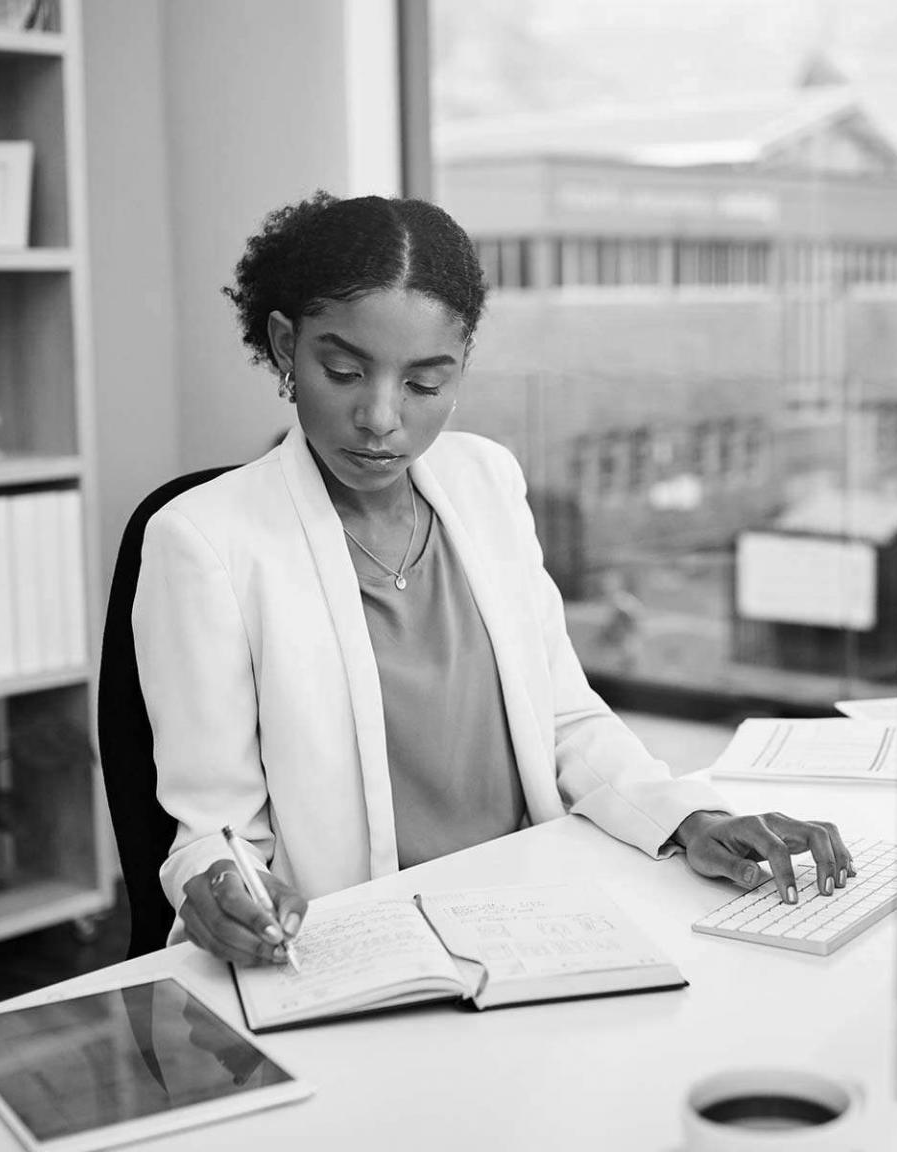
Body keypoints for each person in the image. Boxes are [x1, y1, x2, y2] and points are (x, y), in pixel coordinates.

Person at [131, 192, 855, 967]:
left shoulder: (486, 481)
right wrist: (221, 883)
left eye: (423, 384)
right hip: (359, 952)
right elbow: (212, 828)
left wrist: (693, 819)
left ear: (462, 368)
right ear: (285, 346)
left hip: (534, 917)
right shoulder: (205, 539)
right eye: (343, 371)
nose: (380, 417)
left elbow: (566, 721)